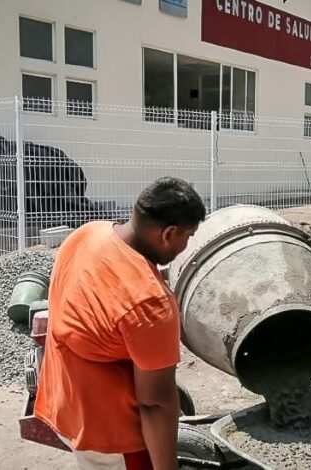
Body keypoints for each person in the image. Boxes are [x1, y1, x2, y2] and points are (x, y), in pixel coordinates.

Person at [35, 177, 206, 470]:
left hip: (65, 404)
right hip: (112, 438)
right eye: (188, 236)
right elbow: (155, 405)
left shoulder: (87, 233)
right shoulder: (150, 303)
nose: (186, 245)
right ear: (168, 234)